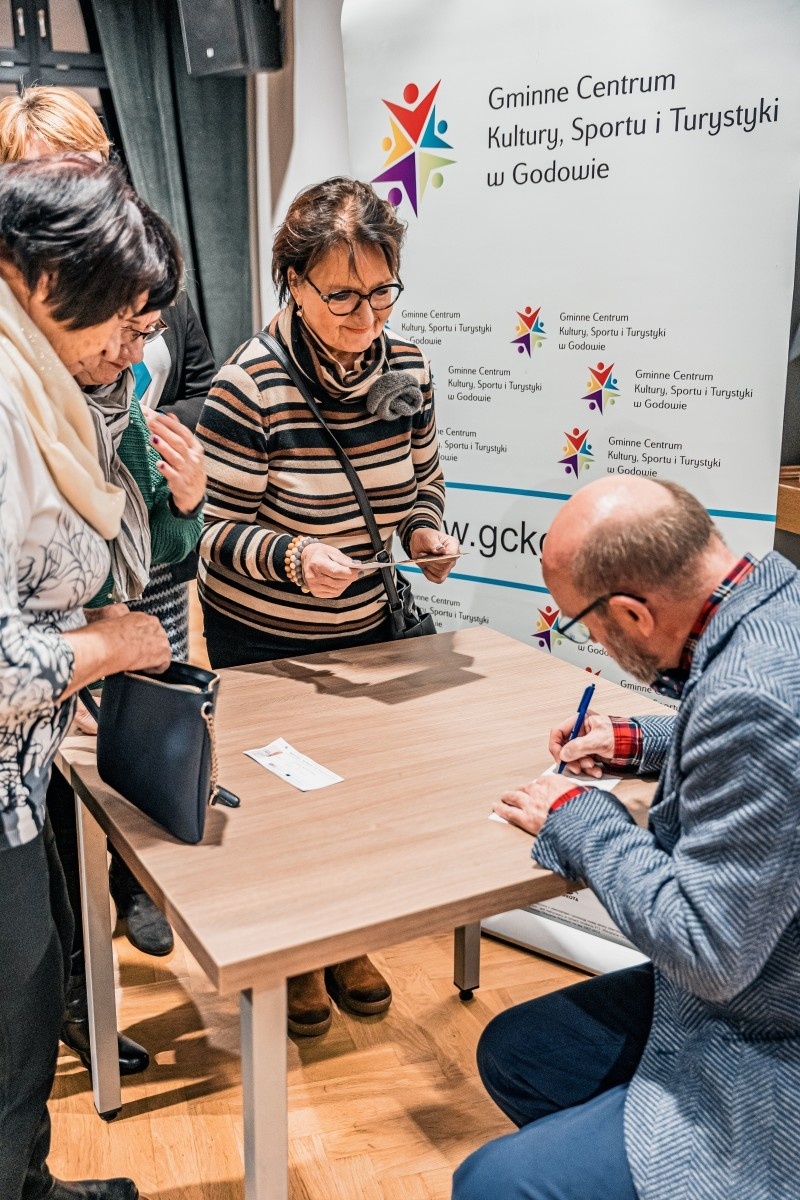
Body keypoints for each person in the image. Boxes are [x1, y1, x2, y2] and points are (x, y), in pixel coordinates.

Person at [453, 476, 800, 1200]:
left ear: (635, 614)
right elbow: (739, 724)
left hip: (769, 1036)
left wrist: (579, 814)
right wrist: (639, 740)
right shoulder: (777, 602)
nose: (599, 644)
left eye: (588, 624)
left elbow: (708, 953)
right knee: (520, 1053)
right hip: (766, 977)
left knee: (492, 1185)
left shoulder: (754, 701)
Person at [197, 176, 460, 1036]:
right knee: (284, 807)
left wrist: (423, 536)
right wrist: (290, 554)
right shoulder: (251, 385)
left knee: (357, 804)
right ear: (293, 282)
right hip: (266, 636)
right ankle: (291, 959)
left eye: (381, 291)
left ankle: (344, 939)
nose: (365, 315)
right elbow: (211, 526)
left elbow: (421, 483)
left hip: (367, 634)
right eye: (340, 294)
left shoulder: (410, 368)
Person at [0, 86, 215, 1078]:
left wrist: (180, 510)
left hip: (45, 719)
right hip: (35, 706)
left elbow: (122, 514)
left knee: (28, 973)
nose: (133, 354)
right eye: (125, 330)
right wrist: (110, 643)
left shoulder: (63, 374)